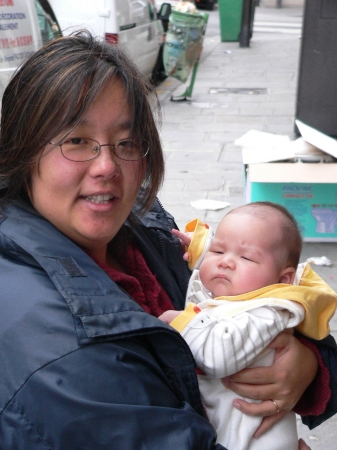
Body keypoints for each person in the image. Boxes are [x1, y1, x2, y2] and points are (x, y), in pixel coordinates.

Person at [0, 31, 333, 449]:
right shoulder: (53, 348)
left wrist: (308, 365)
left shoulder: (144, 225)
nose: (107, 165)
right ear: (23, 149)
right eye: (76, 141)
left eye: (126, 142)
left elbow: (269, 295)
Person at [159, 202, 337, 450]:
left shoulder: (268, 311)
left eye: (246, 257)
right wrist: (201, 249)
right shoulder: (244, 291)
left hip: (252, 441)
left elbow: (218, 356)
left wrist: (181, 321)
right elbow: (226, 257)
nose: (225, 263)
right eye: (218, 251)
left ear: (282, 279)